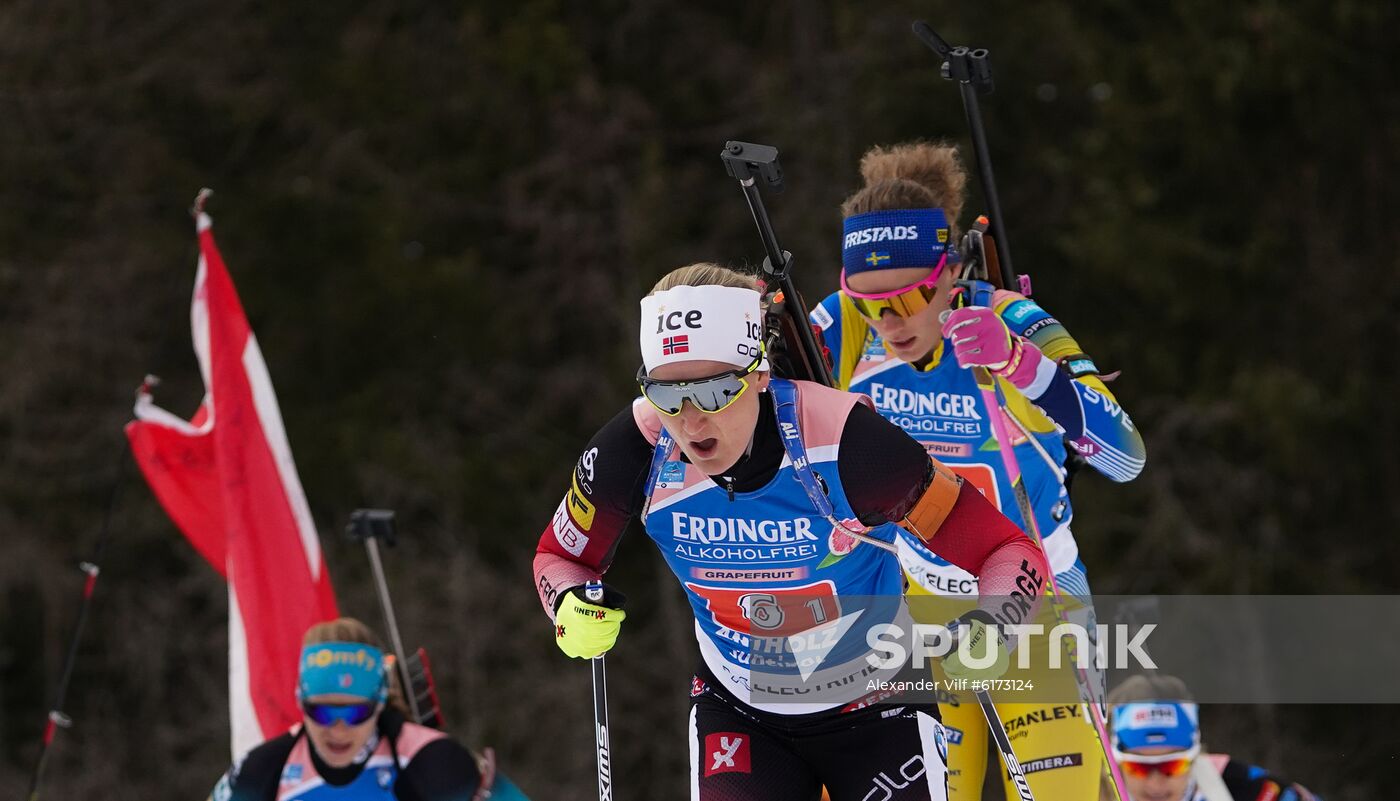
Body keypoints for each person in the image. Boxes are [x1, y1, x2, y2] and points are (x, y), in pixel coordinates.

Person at [534, 263, 1051, 800]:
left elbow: (1009, 551)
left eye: (713, 393)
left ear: (759, 374)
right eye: (668, 395)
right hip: (740, 711)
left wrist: (996, 627)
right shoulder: (635, 450)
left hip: (878, 705)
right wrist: (569, 605)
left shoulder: (849, 447)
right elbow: (558, 557)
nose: (690, 423)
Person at [812, 141, 1148, 800]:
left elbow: (1125, 456)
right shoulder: (847, 323)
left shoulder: (1010, 320)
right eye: (870, 303)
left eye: (910, 299)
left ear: (949, 272)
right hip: (909, 608)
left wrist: (1026, 366)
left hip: (1033, 601)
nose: (890, 322)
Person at [208, 617, 527, 801]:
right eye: (321, 713)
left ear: (378, 704)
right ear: (300, 703)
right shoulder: (263, 769)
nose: (338, 728)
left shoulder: (431, 761)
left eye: (355, 713)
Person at [1108, 674, 1321, 801]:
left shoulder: (1241, 787)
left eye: (1172, 766)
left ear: (1192, 756)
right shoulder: (1086, 787)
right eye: (1139, 767)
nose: (1155, 784)